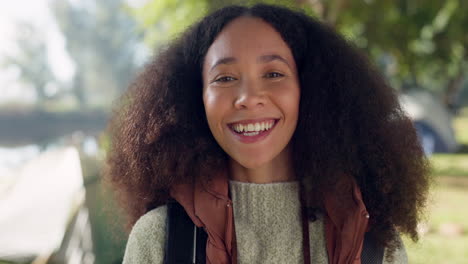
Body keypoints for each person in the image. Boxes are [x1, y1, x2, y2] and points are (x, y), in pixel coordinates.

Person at [106, 4, 430, 264]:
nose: (248, 97)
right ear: (196, 99)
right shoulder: (159, 240)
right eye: (224, 78)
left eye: (274, 73)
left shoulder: (370, 239)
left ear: (312, 91)